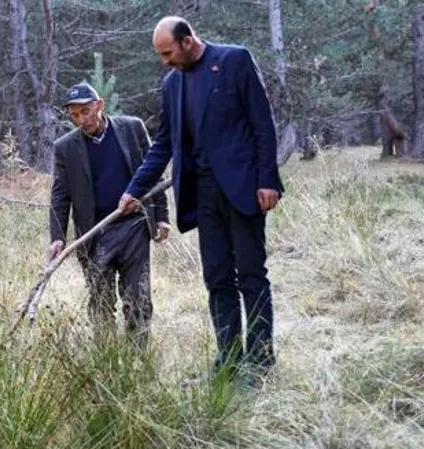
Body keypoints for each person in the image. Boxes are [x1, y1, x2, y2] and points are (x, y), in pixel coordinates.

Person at [118, 17, 284, 373]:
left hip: (244, 190)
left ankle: (259, 360)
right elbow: (163, 145)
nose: (165, 61)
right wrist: (134, 191)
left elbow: (263, 124)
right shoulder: (171, 84)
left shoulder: (235, 60)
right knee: (217, 278)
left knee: (252, 275)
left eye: (168, 52)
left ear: (188, 40)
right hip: (202, 194)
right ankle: (228, 359)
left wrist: (267, 180)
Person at [49, 82, 171, 350]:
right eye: (75, 115)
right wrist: (57, 237)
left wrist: (161, 216)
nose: (81, 119)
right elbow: (60, 195)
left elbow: (154, 175)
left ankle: (137, 359)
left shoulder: (131, 128)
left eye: (86, 111)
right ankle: (106, 360)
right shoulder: (66, 148)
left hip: (134, 227)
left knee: (137, 298)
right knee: (101, 302)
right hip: (93, 236)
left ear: (100, 105)